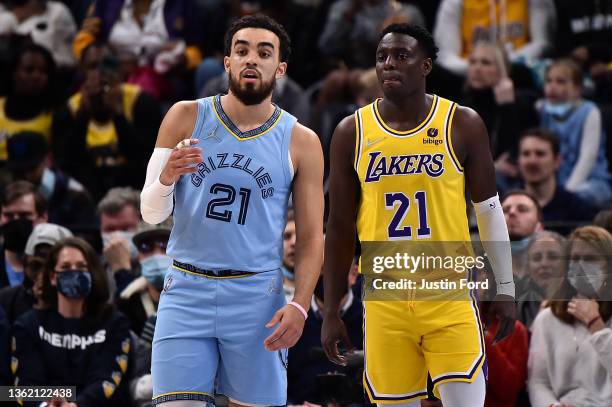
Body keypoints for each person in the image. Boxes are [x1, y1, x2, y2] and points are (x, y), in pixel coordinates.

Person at [322, 24, 515, 407]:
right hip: (384, 298)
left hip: (449, 293)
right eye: (381, 57)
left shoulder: (462, 123)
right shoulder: (351, 132)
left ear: (426, 66)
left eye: (401, 56)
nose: (389, 64)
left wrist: (505, 287)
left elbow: (490, 212)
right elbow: (340, 227)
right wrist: (331, 308)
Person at [140, 14, 324, 406]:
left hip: (258, 296)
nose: (250, 59)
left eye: (263, 52)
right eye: (241, 51)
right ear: (227, 62)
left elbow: (310, 237)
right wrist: (167, 178)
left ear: (281, 68)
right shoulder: (185, 115)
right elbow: (151, 214)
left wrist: (300, 305)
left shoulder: (301, 141)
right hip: (186, 289)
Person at [11, 237, 133, 406]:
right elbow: (22, 388)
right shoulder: (27, 325)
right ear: (53, 277)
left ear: (92, 273)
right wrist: (49, 403)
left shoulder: (114, 322)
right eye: (66, 267)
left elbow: (106, 379)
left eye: (82, 267)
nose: (74, 272)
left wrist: (75, 404)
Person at [528, 226, 612, 406]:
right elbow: (538, 382)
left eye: (590, 259)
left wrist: (596, 325)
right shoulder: (547, 318)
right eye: (574, 259)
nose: (580, 266)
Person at [539, 58, 612, 207]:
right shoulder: (543, 110)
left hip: (589, 180)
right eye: (549, 81)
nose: (552, 87)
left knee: (583, 197)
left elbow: (588, 158)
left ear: (578, 88)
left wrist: (567, 192)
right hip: (555, 182)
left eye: (560, 82)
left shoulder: (589, 111)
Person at [516, 128, 596, 234]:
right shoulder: (505, 207)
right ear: (518, 161)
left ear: (557, 161)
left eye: (540, 154)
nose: (532, 161)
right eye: (526, 154)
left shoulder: (577, 209)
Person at [0, 222, 72, 324]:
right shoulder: (5, 300)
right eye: (36, 267)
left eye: (51, 268)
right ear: (25, 265)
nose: (42, 276)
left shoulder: (86, 306)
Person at [0, 181, 48, 289]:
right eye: (8, 215)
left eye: (24, 215)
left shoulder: (56, 265)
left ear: (43, 218)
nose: (16, 221)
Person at [516, 230, 567, 328]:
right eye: (536, 258)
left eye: (553, 257)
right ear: (528, 267)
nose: (544, 264)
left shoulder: (580, 299)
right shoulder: (517, 305)